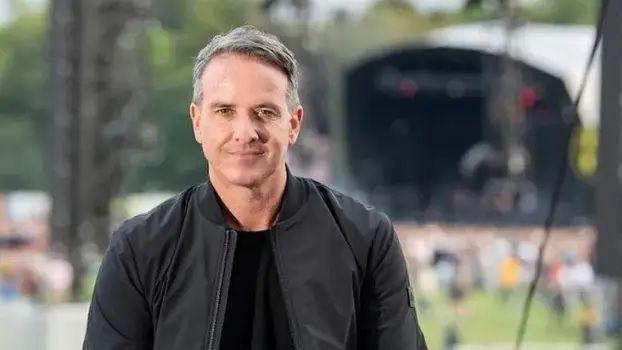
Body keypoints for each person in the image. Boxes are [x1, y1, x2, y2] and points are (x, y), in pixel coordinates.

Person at [83, 26, 427, 350]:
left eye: (264, 112)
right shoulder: (140, 249)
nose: (245, 131)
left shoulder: (364, 239)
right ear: (197, 121)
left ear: (293, 125)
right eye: (224, 111)